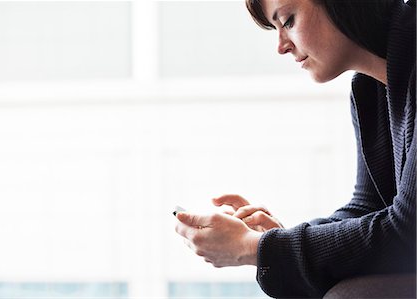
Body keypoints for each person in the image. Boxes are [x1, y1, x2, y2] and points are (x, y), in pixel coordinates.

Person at [174, 0, 416, 297]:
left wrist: (255, 248)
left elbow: (408, 234)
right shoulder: (369, 89)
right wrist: (279, 239)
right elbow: (367, 207)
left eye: (288, 21)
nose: (281, 46)